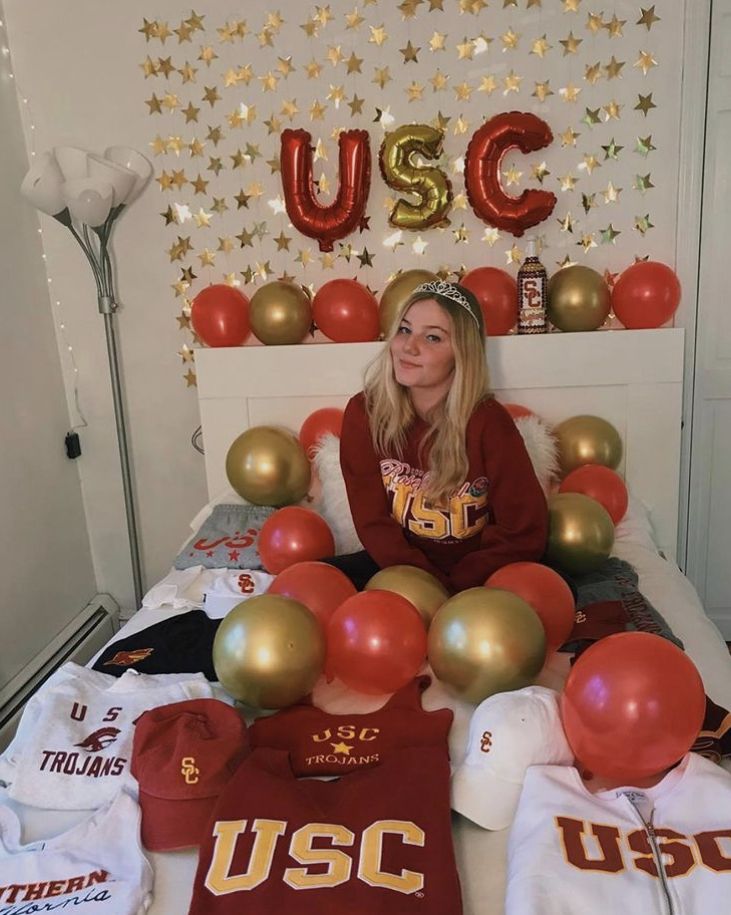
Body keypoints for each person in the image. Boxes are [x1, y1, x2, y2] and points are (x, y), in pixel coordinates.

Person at [328, 279, 549, 593]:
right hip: (399, 567)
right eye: (404, 330)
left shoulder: (489, 421)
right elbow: (373, 522)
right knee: (306, 583)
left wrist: (457, 588)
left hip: (481, 573)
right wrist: (424, 584)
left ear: (462, 353)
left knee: (553, 597)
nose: (409, 346)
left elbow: (523, 531)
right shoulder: (365, 413)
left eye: (433, 337)